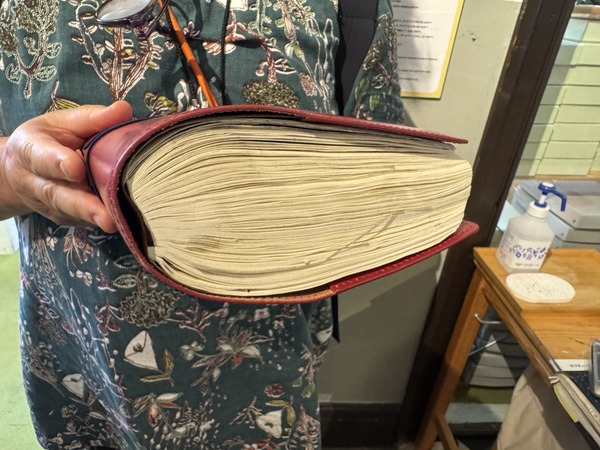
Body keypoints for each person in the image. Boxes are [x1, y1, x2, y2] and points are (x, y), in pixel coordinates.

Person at [0, 0, 404, 448]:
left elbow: (380, 167)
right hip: (87, 382)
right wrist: (10, 175)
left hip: (268, 385)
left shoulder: (351, 6)